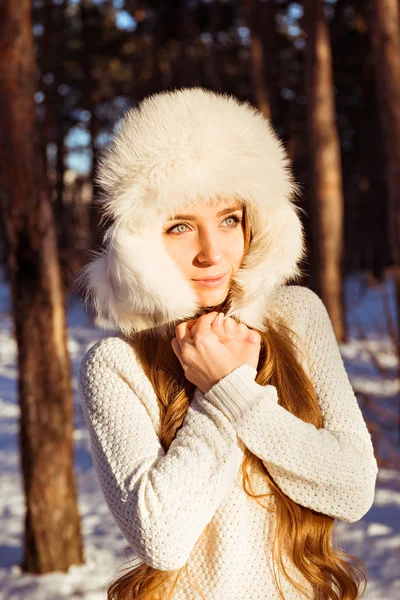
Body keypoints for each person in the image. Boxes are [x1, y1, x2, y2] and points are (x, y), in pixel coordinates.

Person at [78, 88, 378, 600]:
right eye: (180, 227)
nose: (211, 253)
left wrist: (234, 389)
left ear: (255, 222)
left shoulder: (295, 317)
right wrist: (216, 396)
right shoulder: (116, 365)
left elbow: (352, 489)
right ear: (141, 242)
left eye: (229, 220)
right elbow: (162, 537)